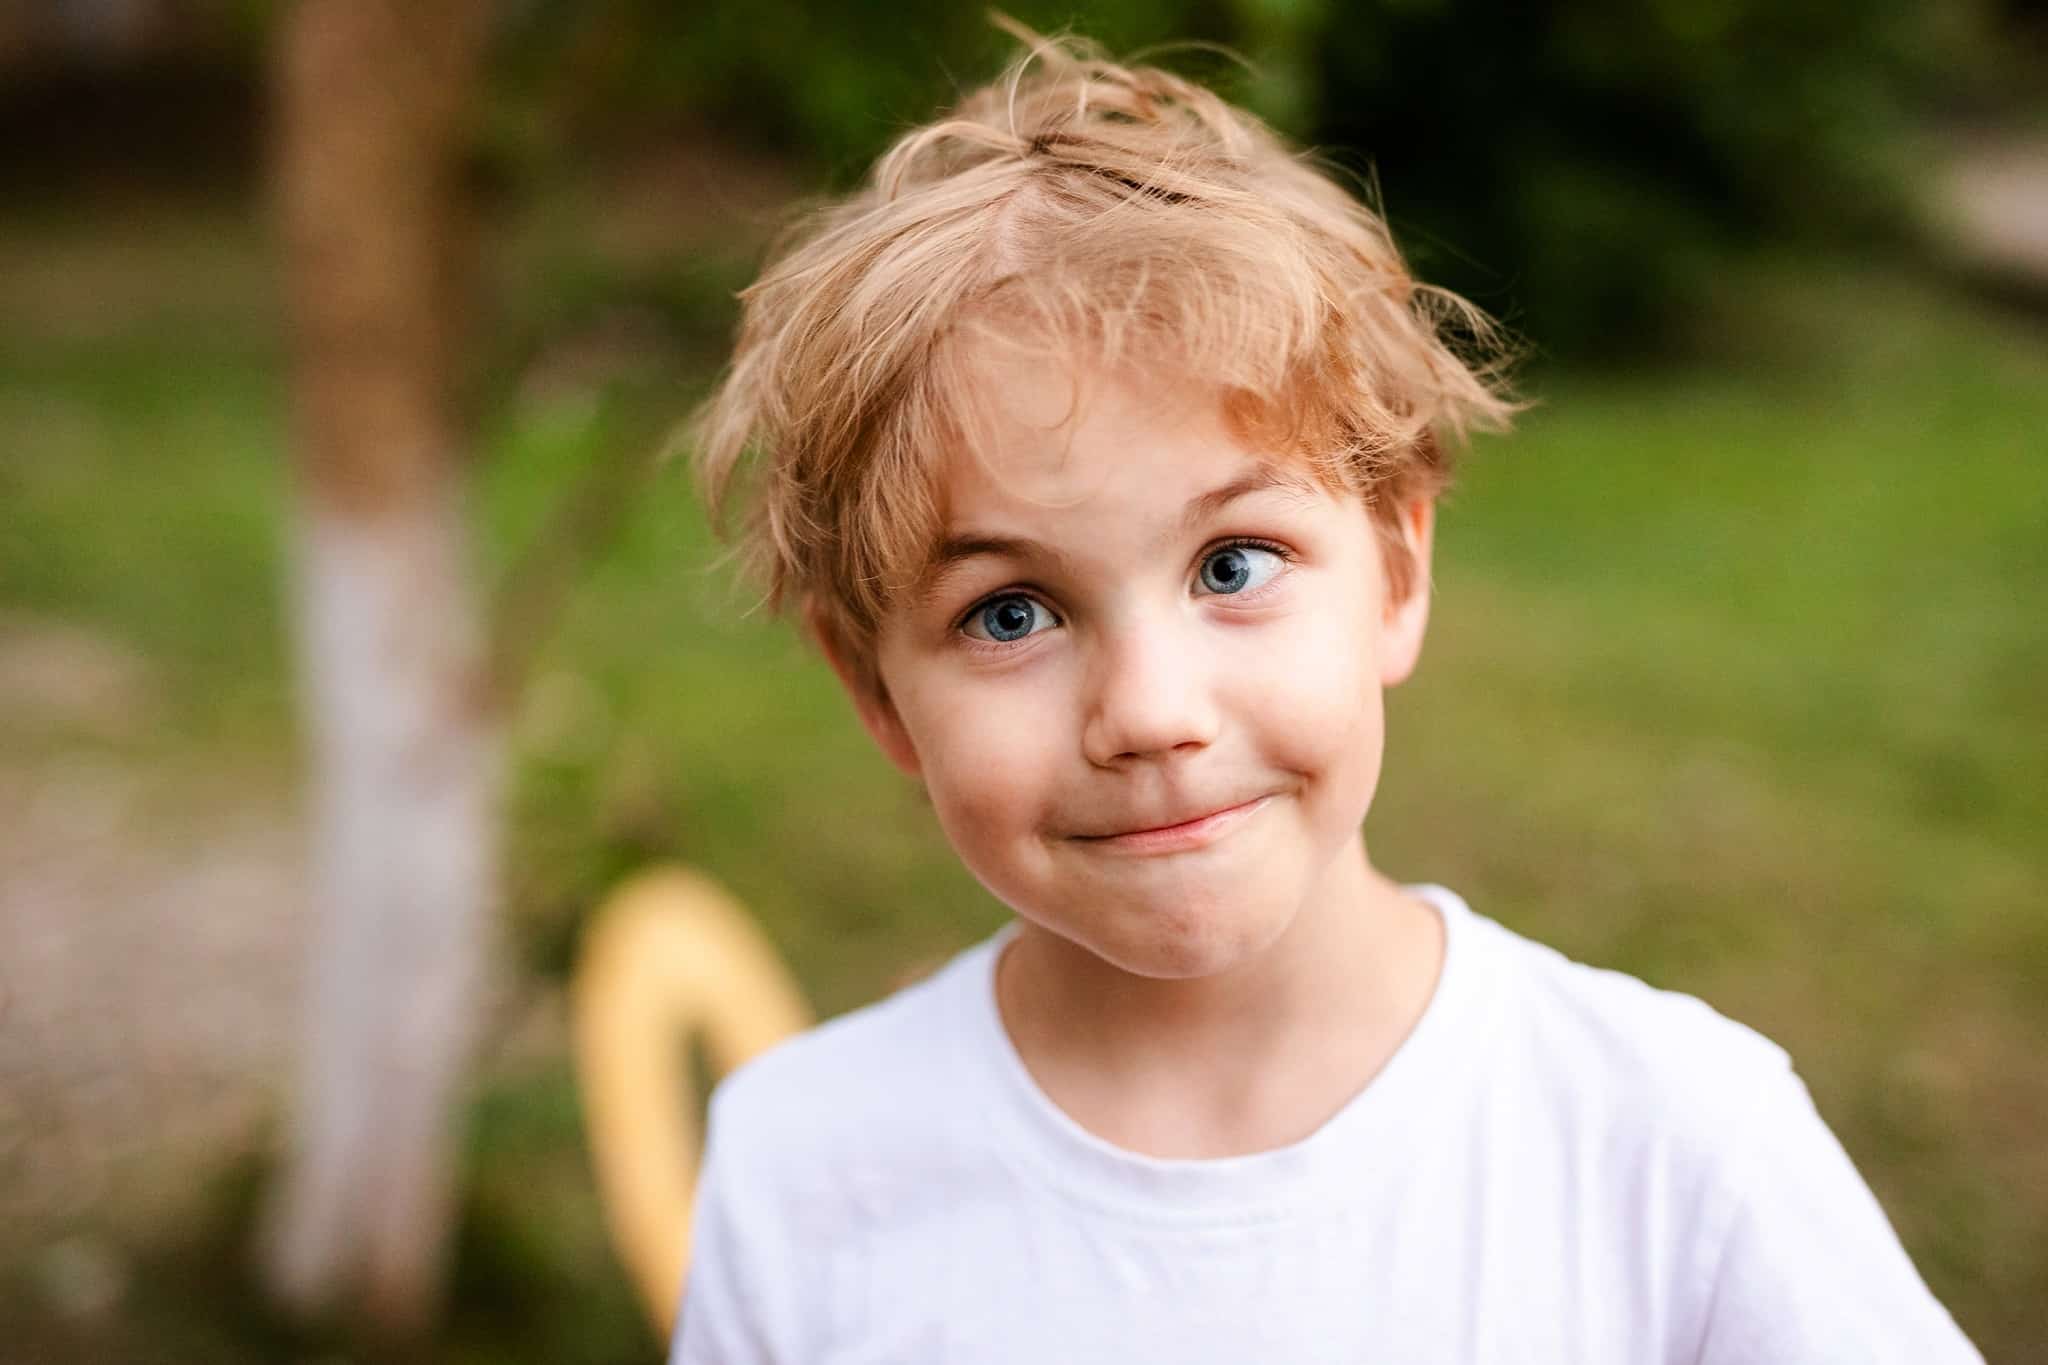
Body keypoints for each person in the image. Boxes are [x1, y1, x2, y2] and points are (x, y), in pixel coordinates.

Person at [668, 25, 1982, 1364]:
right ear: (876, 692)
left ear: (1398, 573)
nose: (1151, 710)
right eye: (1011, 612)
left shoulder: (1674, 1146)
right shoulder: (804, 1173)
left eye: (1233, 565)